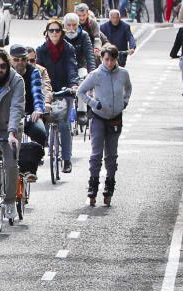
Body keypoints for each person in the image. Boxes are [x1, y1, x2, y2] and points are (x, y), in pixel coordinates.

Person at [79, 44, 132, 206]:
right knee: (96, 154)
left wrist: (124, 102)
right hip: (98, 118)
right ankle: (93, 186)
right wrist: (94, 103)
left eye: (112, 59)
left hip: (115, 118)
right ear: (102, 59)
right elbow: (80, 92)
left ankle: (109, 185)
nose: (109, 63)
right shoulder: (95, 75)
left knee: (111, 155)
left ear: (116, 59)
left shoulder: (123, 73)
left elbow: (128, 89)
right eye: (106, 59)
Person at [0, 48, 26, 220]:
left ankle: (10, 200)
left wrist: (11, 133)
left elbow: (17, 107)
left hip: (10, 127)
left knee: (10, 165)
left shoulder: (17, 81)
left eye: (3, 66)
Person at [35, 19, 79, 172]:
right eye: (51, 30)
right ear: (46, 33)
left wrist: (73, 85)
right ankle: (39, 154)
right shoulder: (40, 50)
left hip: (64, 89)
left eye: (57, 30)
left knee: (64, 124)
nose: (54, 33)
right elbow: (37, 70)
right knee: (41, 122)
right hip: (46, 91)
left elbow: (72, 67)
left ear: (62, 33)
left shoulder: (68, 48)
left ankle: (67, 160)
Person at [10, 44, 49, 180]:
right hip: (9, 115)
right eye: (16, 59)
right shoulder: (5, 72)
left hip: (30, 113)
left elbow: (37, 93)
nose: (20, 63)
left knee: (40, 132)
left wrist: (38, 109)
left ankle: (31, 169)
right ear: (10, 59)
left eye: (23, 59)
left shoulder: (33, 72)